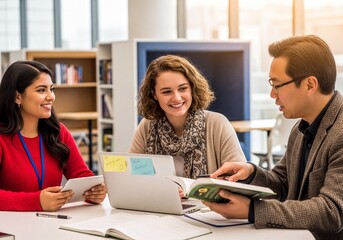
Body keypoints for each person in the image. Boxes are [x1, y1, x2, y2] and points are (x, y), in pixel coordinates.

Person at [203, 35, 343, 240]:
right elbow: (282, 183)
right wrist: (250, 172)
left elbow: (332, 212)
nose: (271, 94)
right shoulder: (300, 128)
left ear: (310, 85)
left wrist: (253, 211)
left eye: (277, 85)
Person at [0, 61, 106, 211]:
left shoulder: (58, 132)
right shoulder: (2, 138)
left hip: (51, 225)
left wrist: (94, 191)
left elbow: (80, 173)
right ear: (17, 97)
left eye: (52, 89)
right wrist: (36, 201)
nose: (51, 97)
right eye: (41, 90)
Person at [129, 55, 246, 180]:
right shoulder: (147, 126)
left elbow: (239, 178)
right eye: (166, 92)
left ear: (192, 88)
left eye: (183, 88)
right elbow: (132, 175)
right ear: (154, 95)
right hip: (158, 199)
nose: (177, 98)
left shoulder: (217, 124)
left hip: (205, 200)